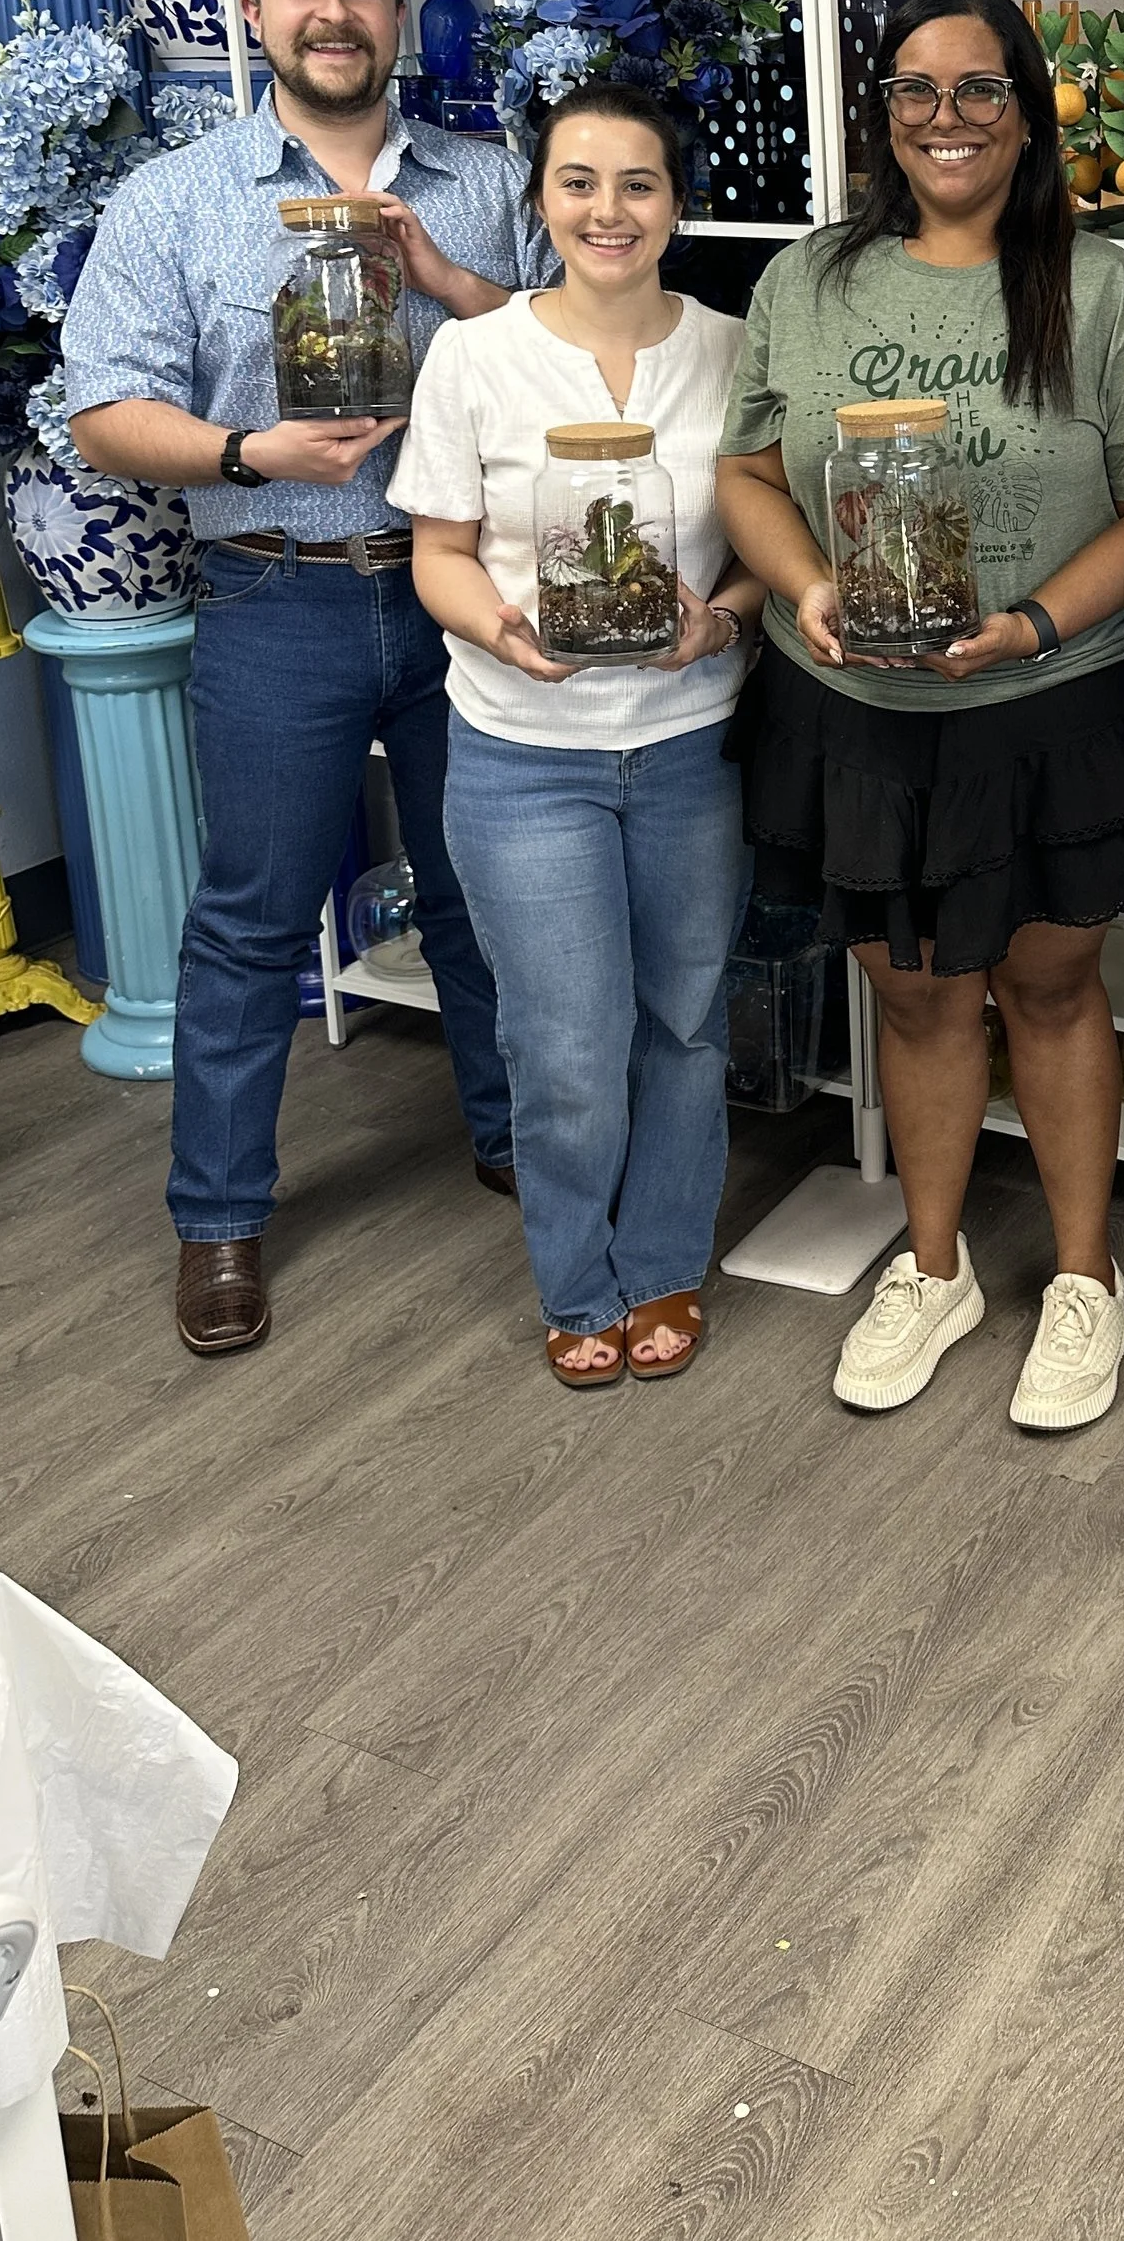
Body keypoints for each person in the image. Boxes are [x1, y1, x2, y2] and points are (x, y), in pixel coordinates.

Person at [716, 0, 1124, 1433]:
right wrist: (810, 588)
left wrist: (1032, 623)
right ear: (882, 114)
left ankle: (1085, 1283)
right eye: (916, 90)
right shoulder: (807, 282)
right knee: (917, 988)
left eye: (980, 89)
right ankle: (932, 1268)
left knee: (1053, 984)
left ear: (1028, 113)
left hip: (1055, 695)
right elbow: (747, 472)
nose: (947, 118)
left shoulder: (1099, 285)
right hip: (858, 700)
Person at [63, 0, 544, 1359]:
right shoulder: (174, 199)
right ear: (256, 14)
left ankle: (519, 1140)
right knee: (254, 916)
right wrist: (243, 453)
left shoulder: (488, 181)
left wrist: (465, 296)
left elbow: (567, 362)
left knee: (489, 892)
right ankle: (217, 1219)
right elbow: (101, 411)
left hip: (463, 590)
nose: (332, 12)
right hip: (276, 592)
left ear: (395, 13)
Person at [394, 81, 764, 1389]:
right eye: (579, 183)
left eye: (638, 185)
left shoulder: (733, 350)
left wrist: (718, 623)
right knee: (562, 1043)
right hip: (520, 755)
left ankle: (663, 1259)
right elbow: (436, 552)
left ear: (677, 202)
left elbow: (774, 549)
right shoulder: (477, 357)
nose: (608, 211)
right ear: (540, 198)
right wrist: (502, 629)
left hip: (689, 750)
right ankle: (576, 1280)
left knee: (684, 1021)